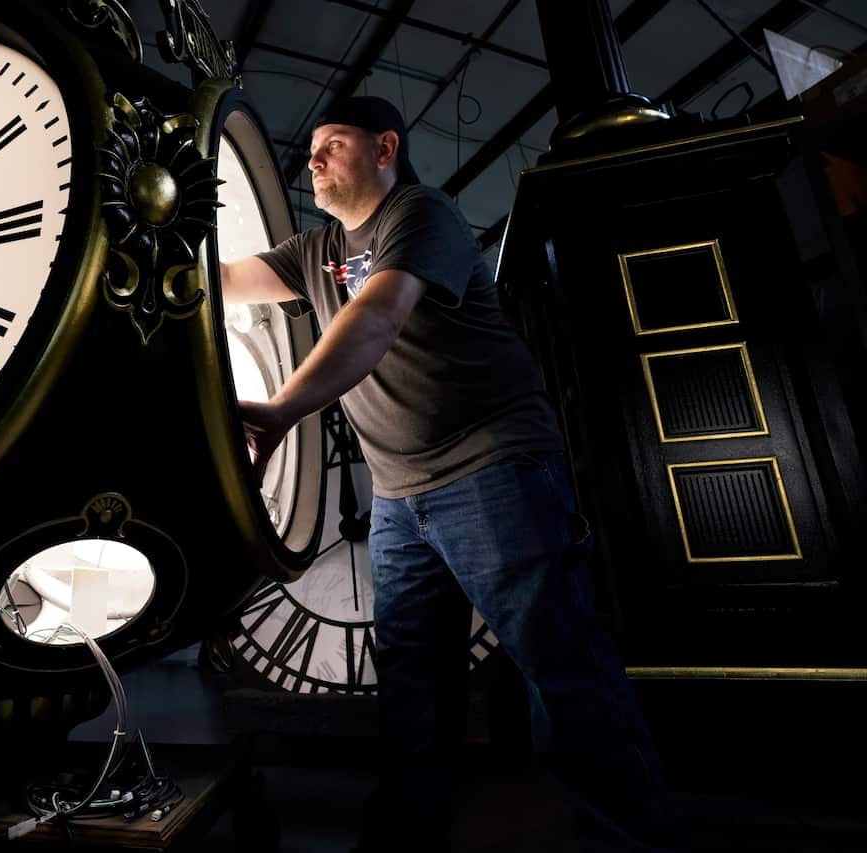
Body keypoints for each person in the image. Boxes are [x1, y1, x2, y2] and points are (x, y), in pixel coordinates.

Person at [220, 96, 681, 852]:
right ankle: (410, 830)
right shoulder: (315, 250)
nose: (314, 160)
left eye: (333, 143)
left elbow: (375, 316)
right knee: (413, 685)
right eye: (310, 149)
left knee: (560, 667)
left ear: (384, 147)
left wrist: (278, 409)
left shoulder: (420, 214)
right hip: (401, 496)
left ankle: (632, 838)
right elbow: (229, 280)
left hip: (491, 466)